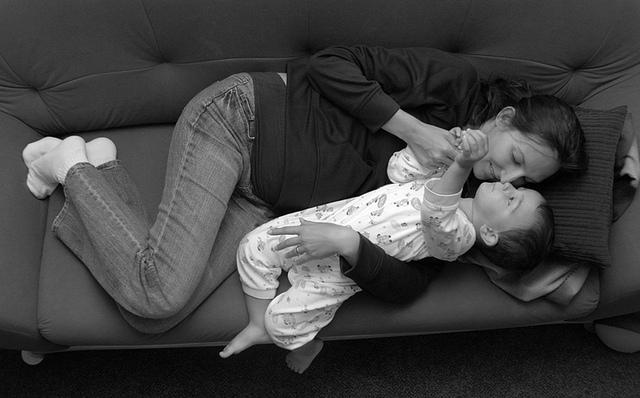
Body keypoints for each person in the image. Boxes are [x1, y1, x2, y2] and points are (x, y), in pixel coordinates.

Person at [21, 46, 586, 334]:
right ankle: (71, 166)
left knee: (154, 317)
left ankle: (95, 171)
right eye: (514, 158)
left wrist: (348, 244)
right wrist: (413, 129)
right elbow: (326, 65)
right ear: (505, 116)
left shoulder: (458, 216)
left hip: (265, 203)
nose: (506, 179)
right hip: (240, 124)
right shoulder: (454, 88)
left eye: (524, 182)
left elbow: (409, 282)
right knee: (158, 294)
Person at [218, 128, 554, 373]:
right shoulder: (444, 180)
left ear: (491, 234)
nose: (509, 185)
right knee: (252, 244)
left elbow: (435, 213)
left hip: (337, 273)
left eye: (512, 200)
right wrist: (448, 149)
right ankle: (255, 321)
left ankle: (303, 344)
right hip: (331, 219)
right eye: (516, 190)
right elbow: (399, 169)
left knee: (283, 325)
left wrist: (463, 164)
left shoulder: (458, 238)